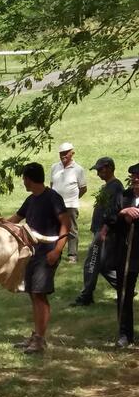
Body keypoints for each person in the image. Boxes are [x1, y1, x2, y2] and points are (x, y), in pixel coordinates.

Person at [8, 162, 70, 354]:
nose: (23, 182)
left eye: (24, 178)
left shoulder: (52, 198)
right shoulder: (31, 200)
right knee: (33, 294)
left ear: (29, 179)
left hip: (47, 254)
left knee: (39, 295)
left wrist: (57, 251)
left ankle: (40, 340)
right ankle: (36, 335)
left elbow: (66, 225)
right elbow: (15, 220)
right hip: (32, 253)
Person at [70, 157, 122, 307]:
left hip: (104, 232)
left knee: (91, 263)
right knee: (103, 265)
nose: (98, 173)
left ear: (109, 168)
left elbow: (114, 211)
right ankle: (125, 288)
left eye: (100, 169)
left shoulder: (115, 187)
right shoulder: (108, 186)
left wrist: (103, 231)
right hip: (100, 230)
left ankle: (86, 296)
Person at [114, 163, 139, 348]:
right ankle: (124, 334)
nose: (136, 182)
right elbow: (109, 218)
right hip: (128, 252)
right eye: (134, 178)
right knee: (124, 293)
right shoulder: (123, 197)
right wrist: (123, 213)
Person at [51, 142, 87, 263]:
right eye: (61, 153)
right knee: (55, 228)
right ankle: (56, 252)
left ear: (72, 153)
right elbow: (52, 185)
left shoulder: (78, 169)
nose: (63, 156)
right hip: (55, 205)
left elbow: (83, 188)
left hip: (70, 204)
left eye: (66, 153)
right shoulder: (54, 167)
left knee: (71, 230)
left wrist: (74, 198)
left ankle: (72, 255)